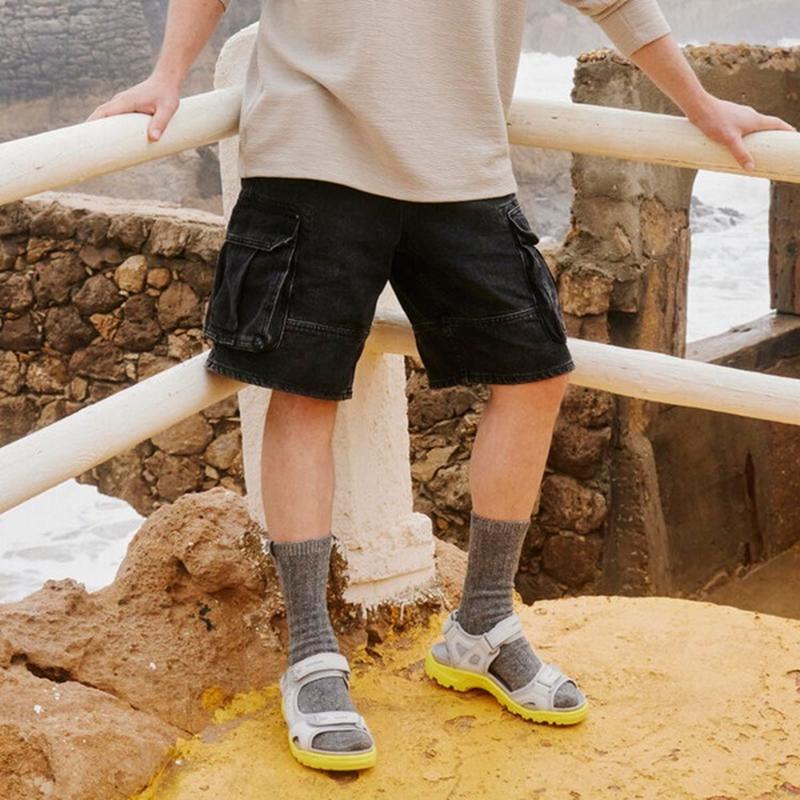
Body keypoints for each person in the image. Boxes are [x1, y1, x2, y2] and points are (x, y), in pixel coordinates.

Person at [88, 0, 796, 773]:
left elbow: (616, 2)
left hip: (463, 167)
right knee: (302, 393)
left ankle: (483, 623)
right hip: (308, 153)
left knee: (536, 372)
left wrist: (703, 105)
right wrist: (167, 77)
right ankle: (312, 654)